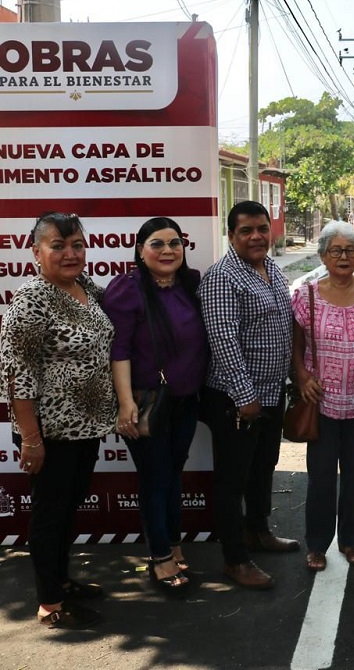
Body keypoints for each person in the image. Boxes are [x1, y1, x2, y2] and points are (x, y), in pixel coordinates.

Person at [0, 212, 117, 629]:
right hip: (49, 432)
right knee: (50, 515)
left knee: (68, 510)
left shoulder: (86, 288)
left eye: (77, 245)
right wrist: (30, 439)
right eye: (58, 246)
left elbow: (125, 306)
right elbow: (17, 375)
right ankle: (50, 604)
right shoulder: (30, 300)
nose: (70, 254)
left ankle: (61, 581)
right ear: (36, 252)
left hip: (87, 426)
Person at [103, 217, 208, 594]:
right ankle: (159, 556)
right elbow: (119, 350)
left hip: (185, 401)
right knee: (156, 478)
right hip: (147, 403)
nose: (167, 250)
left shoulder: (191, 284)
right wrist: (125, 402)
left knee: (171, 475)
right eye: (157, 243)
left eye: (175, 243)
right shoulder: (126, 289)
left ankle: (173, 545)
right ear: (140, 250)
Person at [198, 200, 298, 590]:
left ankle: (258, 531)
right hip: (235, 398)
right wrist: (244, 395)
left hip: (271, 393)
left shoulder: (270, 267)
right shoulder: (223, 277)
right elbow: (223, 339)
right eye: (246, 231)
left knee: (263, 466)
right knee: (232, 478)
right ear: (231, 236)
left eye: (261, 228)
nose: (256, 236)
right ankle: (235, 559)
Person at [292, 221, 354, 572]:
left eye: (350, 250)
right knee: (321, 476)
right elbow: (295, 342)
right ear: (322, 256)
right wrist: (302, 376)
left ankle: (350, 541)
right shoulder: (306, 295)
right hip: (321, 403)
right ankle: (317, 545)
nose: (344, 256)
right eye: (335, 250)